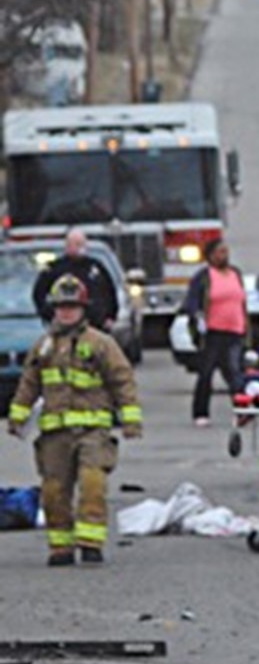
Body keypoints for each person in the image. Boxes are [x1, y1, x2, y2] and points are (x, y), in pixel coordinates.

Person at [7, 276, 141, 567]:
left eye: (72, 307)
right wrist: (17, 417)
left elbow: (122, 381)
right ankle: (61, 547)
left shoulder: (101, 344)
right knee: (54, 491)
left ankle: (90, 543)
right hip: (55, 434)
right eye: (61, 307)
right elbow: (29, 384)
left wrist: (131, 420)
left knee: (93, 484)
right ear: (53, 310)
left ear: (83, 309)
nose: (66, 312)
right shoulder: (43, 347)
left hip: (93, 431)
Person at [181, 238, 249, 427]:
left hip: (235, 330)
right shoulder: (203, 277)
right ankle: (200, 412)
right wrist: (197, 317)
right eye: (220, 252)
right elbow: (192, 302)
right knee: (206, 373)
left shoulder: (235, 274)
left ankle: (242, 410)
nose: (224, 256)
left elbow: (242, 302)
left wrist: (246, 327)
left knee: (235, 373)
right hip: (212, 332)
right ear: (210, 256)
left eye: (225, 252)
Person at [31, 228, 120, 329]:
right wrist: (50, 316)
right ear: (67, 245)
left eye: (81, 244)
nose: (79, 247)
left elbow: (110, 293)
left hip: (96, 327)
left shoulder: (96, 267)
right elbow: (39, 294)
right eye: (75, 243)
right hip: (64, 328)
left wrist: (110, 317)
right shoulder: (54, 269)